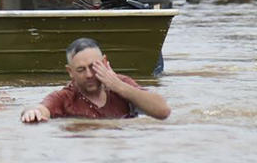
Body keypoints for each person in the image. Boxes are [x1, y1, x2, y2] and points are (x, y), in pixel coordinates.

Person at [21, 37, 171, 122]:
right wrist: (31, 113)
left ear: (105, 62)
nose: (89, 75)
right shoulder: (65, 97)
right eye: (81, 69)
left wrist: (119, 87)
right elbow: (41, 108)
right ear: (70, 72)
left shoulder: (121, 84)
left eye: (94, 67)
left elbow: (163, 111)